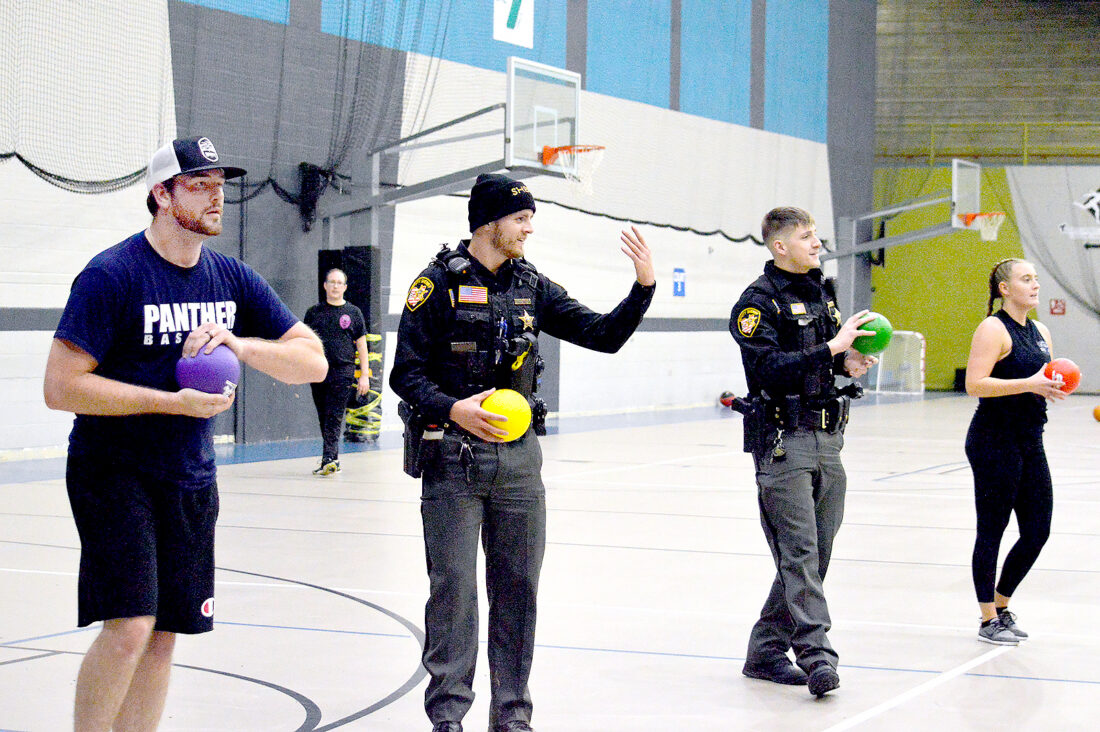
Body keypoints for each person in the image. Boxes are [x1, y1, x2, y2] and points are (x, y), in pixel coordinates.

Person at [43, 136, 328, 732]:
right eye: (200, 185)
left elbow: (314, 361)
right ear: (162, 194)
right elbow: (62, 387)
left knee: (167, 634)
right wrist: (171, 403)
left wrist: (240, 344)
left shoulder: (231, 279)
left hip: (191, 476)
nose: (217, 197)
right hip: (112, 471)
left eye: (221, 185)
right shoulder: (111, 275)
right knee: (130, 626)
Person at [390, 172, 655, 732]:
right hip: (452, 459)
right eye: (520, 218)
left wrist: (643, 287)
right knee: (455, 592)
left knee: (518, 589)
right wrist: (454, 408)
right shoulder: (436, 284)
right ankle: (447, 716)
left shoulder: (532, 285)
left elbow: (603, 334)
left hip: (518, 463)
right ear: (488, 223)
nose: (529, 227)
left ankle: (511, 714)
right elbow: (404, 375)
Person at [729, 206, 876, 698]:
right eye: (808, 237)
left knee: (817, 555)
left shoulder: (820, 294)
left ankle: (766, 650)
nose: (818, 244)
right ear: (780, 246)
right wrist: (832, 348)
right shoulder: (757, 303)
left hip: (828, 439)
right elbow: (769, 369)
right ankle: (817, 657)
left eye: (817, 236)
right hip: (782, 444)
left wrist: (848, 363)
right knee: (799, 554)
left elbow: (819, 365)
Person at [963, 258, 1065, 645]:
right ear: (1005, 288)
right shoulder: (993, 329)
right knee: (992, 530)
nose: (1035, 285)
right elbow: (976, 384)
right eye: (1026, 279)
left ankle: (1003, 606)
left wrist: (1053, 386)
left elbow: (1043, 379)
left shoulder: (1041, 330)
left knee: (1038, 530)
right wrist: (1029, 383)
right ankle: (987, 618)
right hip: (993, 441)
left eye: (1036, 278)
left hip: (1030, 438)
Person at [304, 267, 371, 475]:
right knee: (324, 414)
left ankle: (330, 459)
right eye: (331, 282)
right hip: (318, 371)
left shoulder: (353, 313)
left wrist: (364, 376)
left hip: (343, 372)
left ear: (345, 287)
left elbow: (362, 345)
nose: (335, 286)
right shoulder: (313, 313)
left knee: (334, 414)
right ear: (325, 285)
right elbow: (304, 342)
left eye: (339, 283)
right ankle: (330, 457)